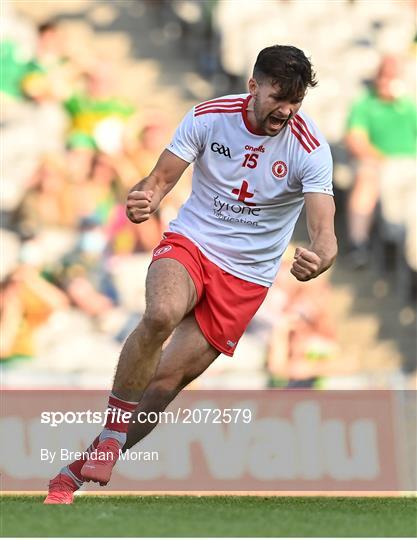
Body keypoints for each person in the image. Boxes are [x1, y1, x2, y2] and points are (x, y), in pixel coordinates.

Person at [44, 45, 337, 504]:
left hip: (246, 278)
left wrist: (318, 257)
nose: (287, 110)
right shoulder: (208, 117)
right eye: (279, 97)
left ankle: (80, 467)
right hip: (193, 244)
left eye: (296, 101)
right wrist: (145, 199)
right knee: (160, 313)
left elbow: (325, 234)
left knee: (163, 386)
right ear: (253, 85)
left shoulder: (310, 148)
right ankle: (112, 435)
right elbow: (157, 182)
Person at [345, 55, 417, 268]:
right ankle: (358, 243)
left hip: (409, 163)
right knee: (366, 181)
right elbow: (356, 140)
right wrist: (379, 159)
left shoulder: (408, 106)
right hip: (378, 163)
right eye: (384, 77)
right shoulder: (365, 104)